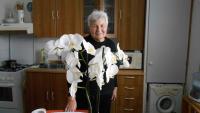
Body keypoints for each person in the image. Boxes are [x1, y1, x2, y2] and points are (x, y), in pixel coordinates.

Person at [65, 10, 118, 113]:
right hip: (85, 93)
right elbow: (71, 72)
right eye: (95, 26)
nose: (99, 29)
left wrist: (115, 86)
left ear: (107, 26)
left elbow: (113, 69)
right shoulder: (80, 45)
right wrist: (71, 98)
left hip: (106, 93)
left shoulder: (111, 45)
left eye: (102, 25)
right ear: (89, 27)